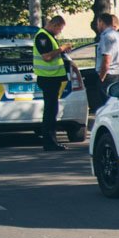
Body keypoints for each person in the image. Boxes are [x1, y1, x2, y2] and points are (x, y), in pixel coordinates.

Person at [33, 15, 71, 151]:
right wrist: (61, 49)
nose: (59, 32)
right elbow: (47, 57)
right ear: (55, 25)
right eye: (59, 29)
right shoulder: (42, 37)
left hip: (52, 79)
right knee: (50, 112)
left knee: (52, 110)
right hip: (48, 78)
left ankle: (51, 141)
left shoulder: (48, 36)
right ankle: (49, 143)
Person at [95, 12, 119, 92]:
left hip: (109, 75)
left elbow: (107, 59)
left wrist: (101, 78)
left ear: (101, 22)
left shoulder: (107, 36)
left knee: (107, 102)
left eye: (98, 23)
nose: (97, 26)